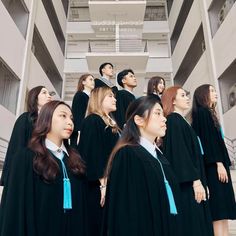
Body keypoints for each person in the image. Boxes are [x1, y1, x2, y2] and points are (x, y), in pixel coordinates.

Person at [0, 101, 88, 236]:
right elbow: (14, 211)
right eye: (63, 116)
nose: (70, 122)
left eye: (71, 118)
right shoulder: (26, 158)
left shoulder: (75, 161)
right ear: (46, 119)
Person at [102, 95, 182, 236]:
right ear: (139, 120)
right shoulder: (127, 155)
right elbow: (125, 212)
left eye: (163, 114)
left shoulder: (159, 156)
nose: (164, 119)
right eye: (157, 113)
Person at [161, 86, 213, 236]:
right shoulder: (173, 121)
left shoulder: (181, 121)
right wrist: (196, 181)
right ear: (173, 101)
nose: (187, 98)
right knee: (193, 224)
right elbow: (180, 154)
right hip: (188, 184)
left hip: (194, 181)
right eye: (182, 95)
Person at [191, 84, 236, 236]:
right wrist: (218, 163)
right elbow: (207, 141)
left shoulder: (209, 112)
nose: (215, 93)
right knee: (218, 210)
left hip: (218, 165)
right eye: (211, 91)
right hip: (214, 166)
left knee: (223, 210)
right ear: (202, 95)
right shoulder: (203, 113)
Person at [78, 87, 120, 236]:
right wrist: (103, 184)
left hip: (111, 182)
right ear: (99, 99)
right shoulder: (92, 121)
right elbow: (94, 154)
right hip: (99, 185)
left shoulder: (112, 123)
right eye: (110, 96)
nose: (115, 99)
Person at [0, 86, 52, 186]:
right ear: (35, 98)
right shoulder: (25, 119)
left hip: (45, 171)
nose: (49, 96)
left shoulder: (51, 121)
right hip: (27, 172)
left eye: (49, 94)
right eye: (44, 93)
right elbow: (17, 148)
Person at [70, 73, 95, 147]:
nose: (93, 81)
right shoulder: (80, 95)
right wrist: (80, 131)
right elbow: (77, 114)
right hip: (80, 131)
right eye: (90, 79)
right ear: (83, 82)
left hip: (88, 130)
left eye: (93, 80)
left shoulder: (92, 98)